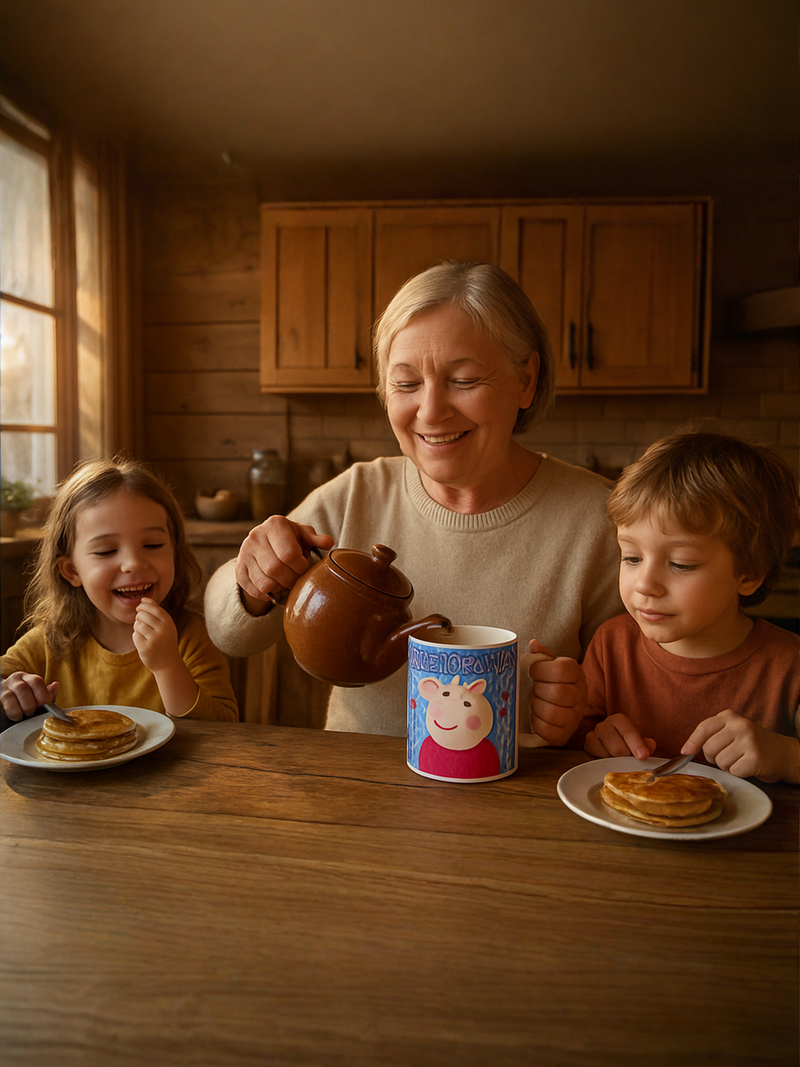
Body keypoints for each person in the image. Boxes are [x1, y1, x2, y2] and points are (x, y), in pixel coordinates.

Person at [204, 260, 623, 739]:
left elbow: (638, 685)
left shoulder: (596, 520)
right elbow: (229, 634)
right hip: (358, 791)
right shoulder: (359, 494)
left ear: (526, 380)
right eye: (406, 384)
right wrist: (252, 579)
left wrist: (582, 708)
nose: (430, 411)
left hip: (515, 800)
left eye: (463, 380)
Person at [574, 430, 799, 784]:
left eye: (681, 564)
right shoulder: (611, 646)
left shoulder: (789, 667)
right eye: (631, 557)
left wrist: (786, 756)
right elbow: (575, 746)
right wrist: (595, 739)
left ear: (750, 573)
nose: (645, 584)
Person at [1, 457, 239, 724]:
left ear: (175, 551)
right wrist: (10, 690)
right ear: (72, 571)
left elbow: (224, 729)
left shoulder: (190, 637)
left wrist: (167, 666)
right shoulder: (49, 642)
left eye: (152, 545)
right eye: (106, 551)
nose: (134, 563)